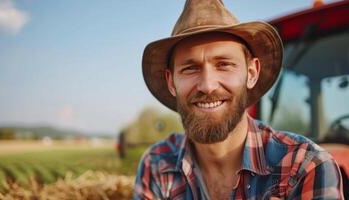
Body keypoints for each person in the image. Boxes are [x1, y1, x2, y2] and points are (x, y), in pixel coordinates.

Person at [134, 0, 344, 199]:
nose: (208, 85)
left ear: (251, 73)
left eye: (224, 64)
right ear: (171, 82)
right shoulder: (157, 165)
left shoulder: (305, 167)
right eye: (190, 68)